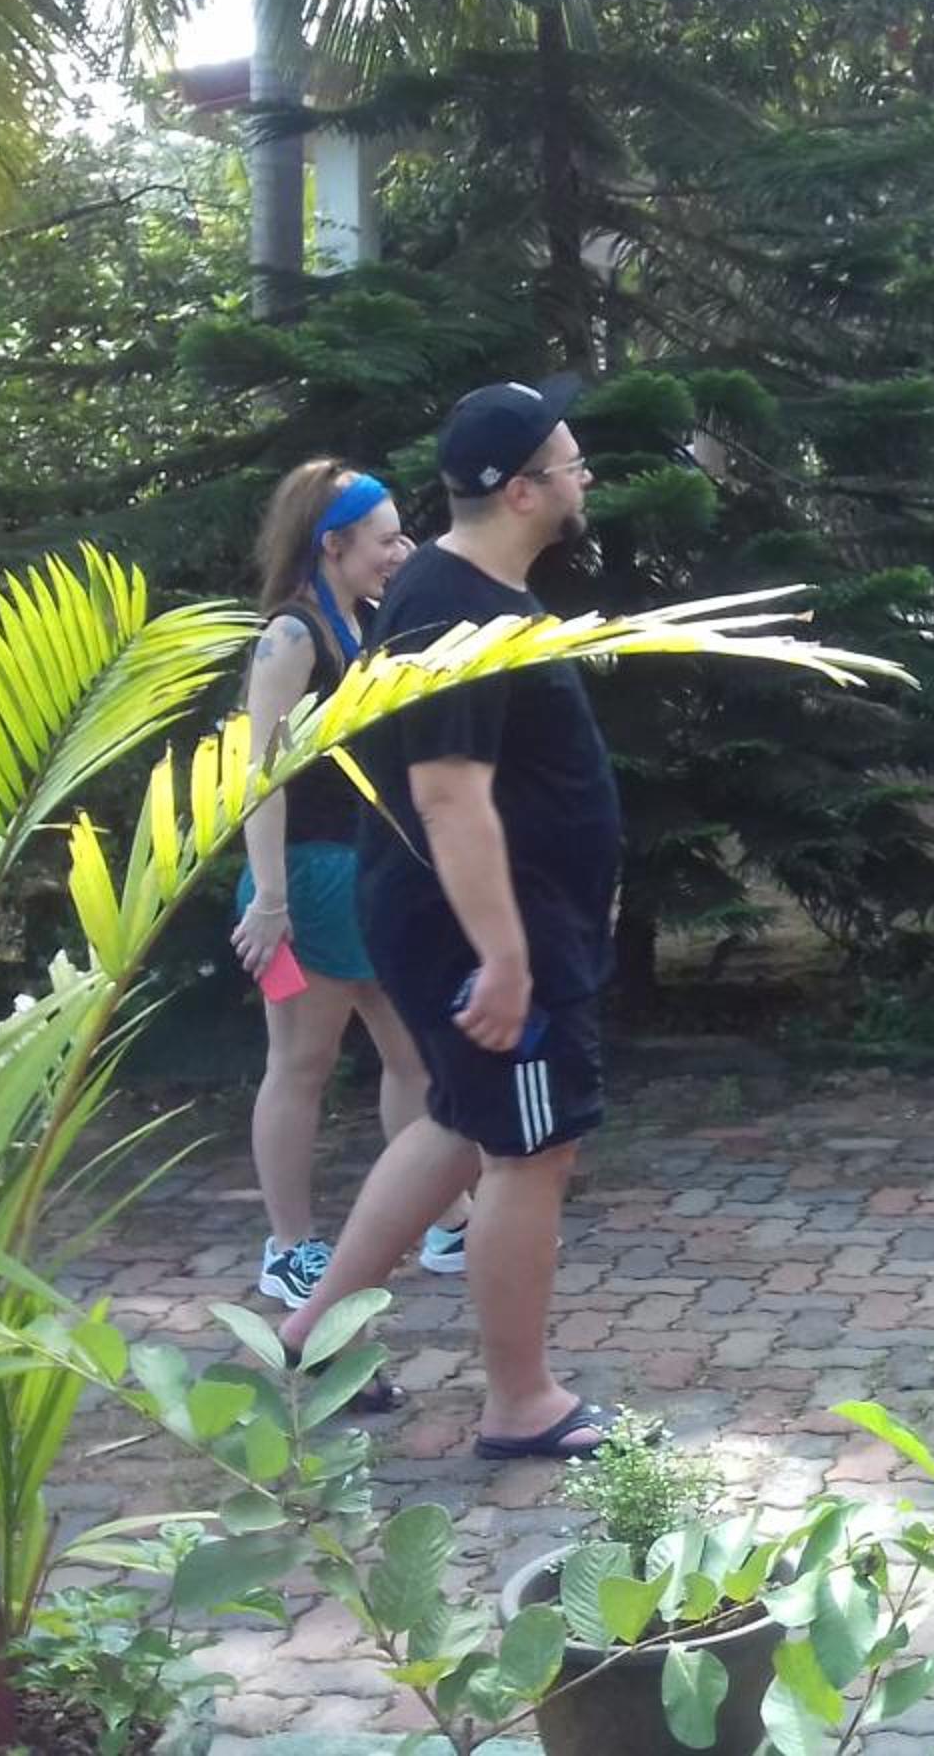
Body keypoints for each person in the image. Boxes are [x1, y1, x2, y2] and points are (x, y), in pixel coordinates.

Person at [280, 379, 623, 1460]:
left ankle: (314, 1334)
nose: (584, 479)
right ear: (522, 490)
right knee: (531, 1149)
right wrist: (506, 958)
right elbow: (447, 795)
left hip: (485, 919)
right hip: (485, 930)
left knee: (460, 1124)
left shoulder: (463, 587)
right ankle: (522, 1404)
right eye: (570, 464)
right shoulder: (458, 611)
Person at [230, 460, 474, 1306]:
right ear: (333, 544)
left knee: (413, 1057)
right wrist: (271, 900)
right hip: (302, 881)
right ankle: (289, 1247)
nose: (399, 552)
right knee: (302, 1065)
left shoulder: (366, 621)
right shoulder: (292, 635)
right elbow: (260, 776)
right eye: (385, 540)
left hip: (367, 873)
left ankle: (445, 1219)